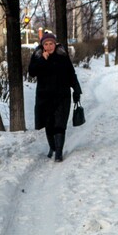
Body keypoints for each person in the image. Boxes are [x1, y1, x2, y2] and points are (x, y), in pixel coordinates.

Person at [27, 32, 82, 162]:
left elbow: (71, 73)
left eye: (51, 43)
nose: (49, 46)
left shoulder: (62, 55)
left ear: (55, 43)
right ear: (42, 45)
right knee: (49, 124)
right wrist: (42, 60)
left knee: (60, 123)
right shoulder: (38, 55)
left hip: (62, 96)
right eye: (46, 44)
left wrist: (76, 89)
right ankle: (53, 147)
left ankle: (59, 152)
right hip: (44, 97)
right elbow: (32, 72)